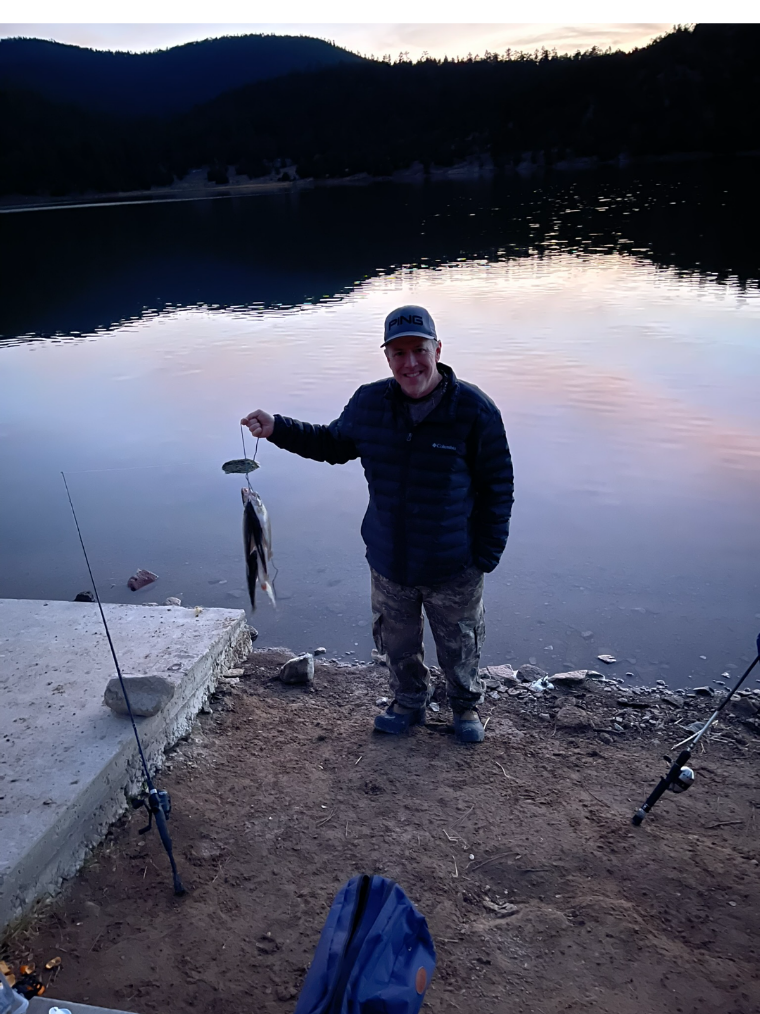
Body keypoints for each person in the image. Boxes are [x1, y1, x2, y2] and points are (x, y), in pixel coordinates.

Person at [241, 305, 514, 743]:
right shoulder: (370, 402)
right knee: (397, 643)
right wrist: (277, 428)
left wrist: (486, 554)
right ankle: (409, 704)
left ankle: (464, 709)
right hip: (389, 560)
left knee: (460, 645)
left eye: (419, 350)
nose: (410, 363)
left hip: (454, 564)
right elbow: (330, 443)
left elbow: (498, 486)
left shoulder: (474, 410)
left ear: (437, 349)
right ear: (387, 357)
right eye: (398, 353)